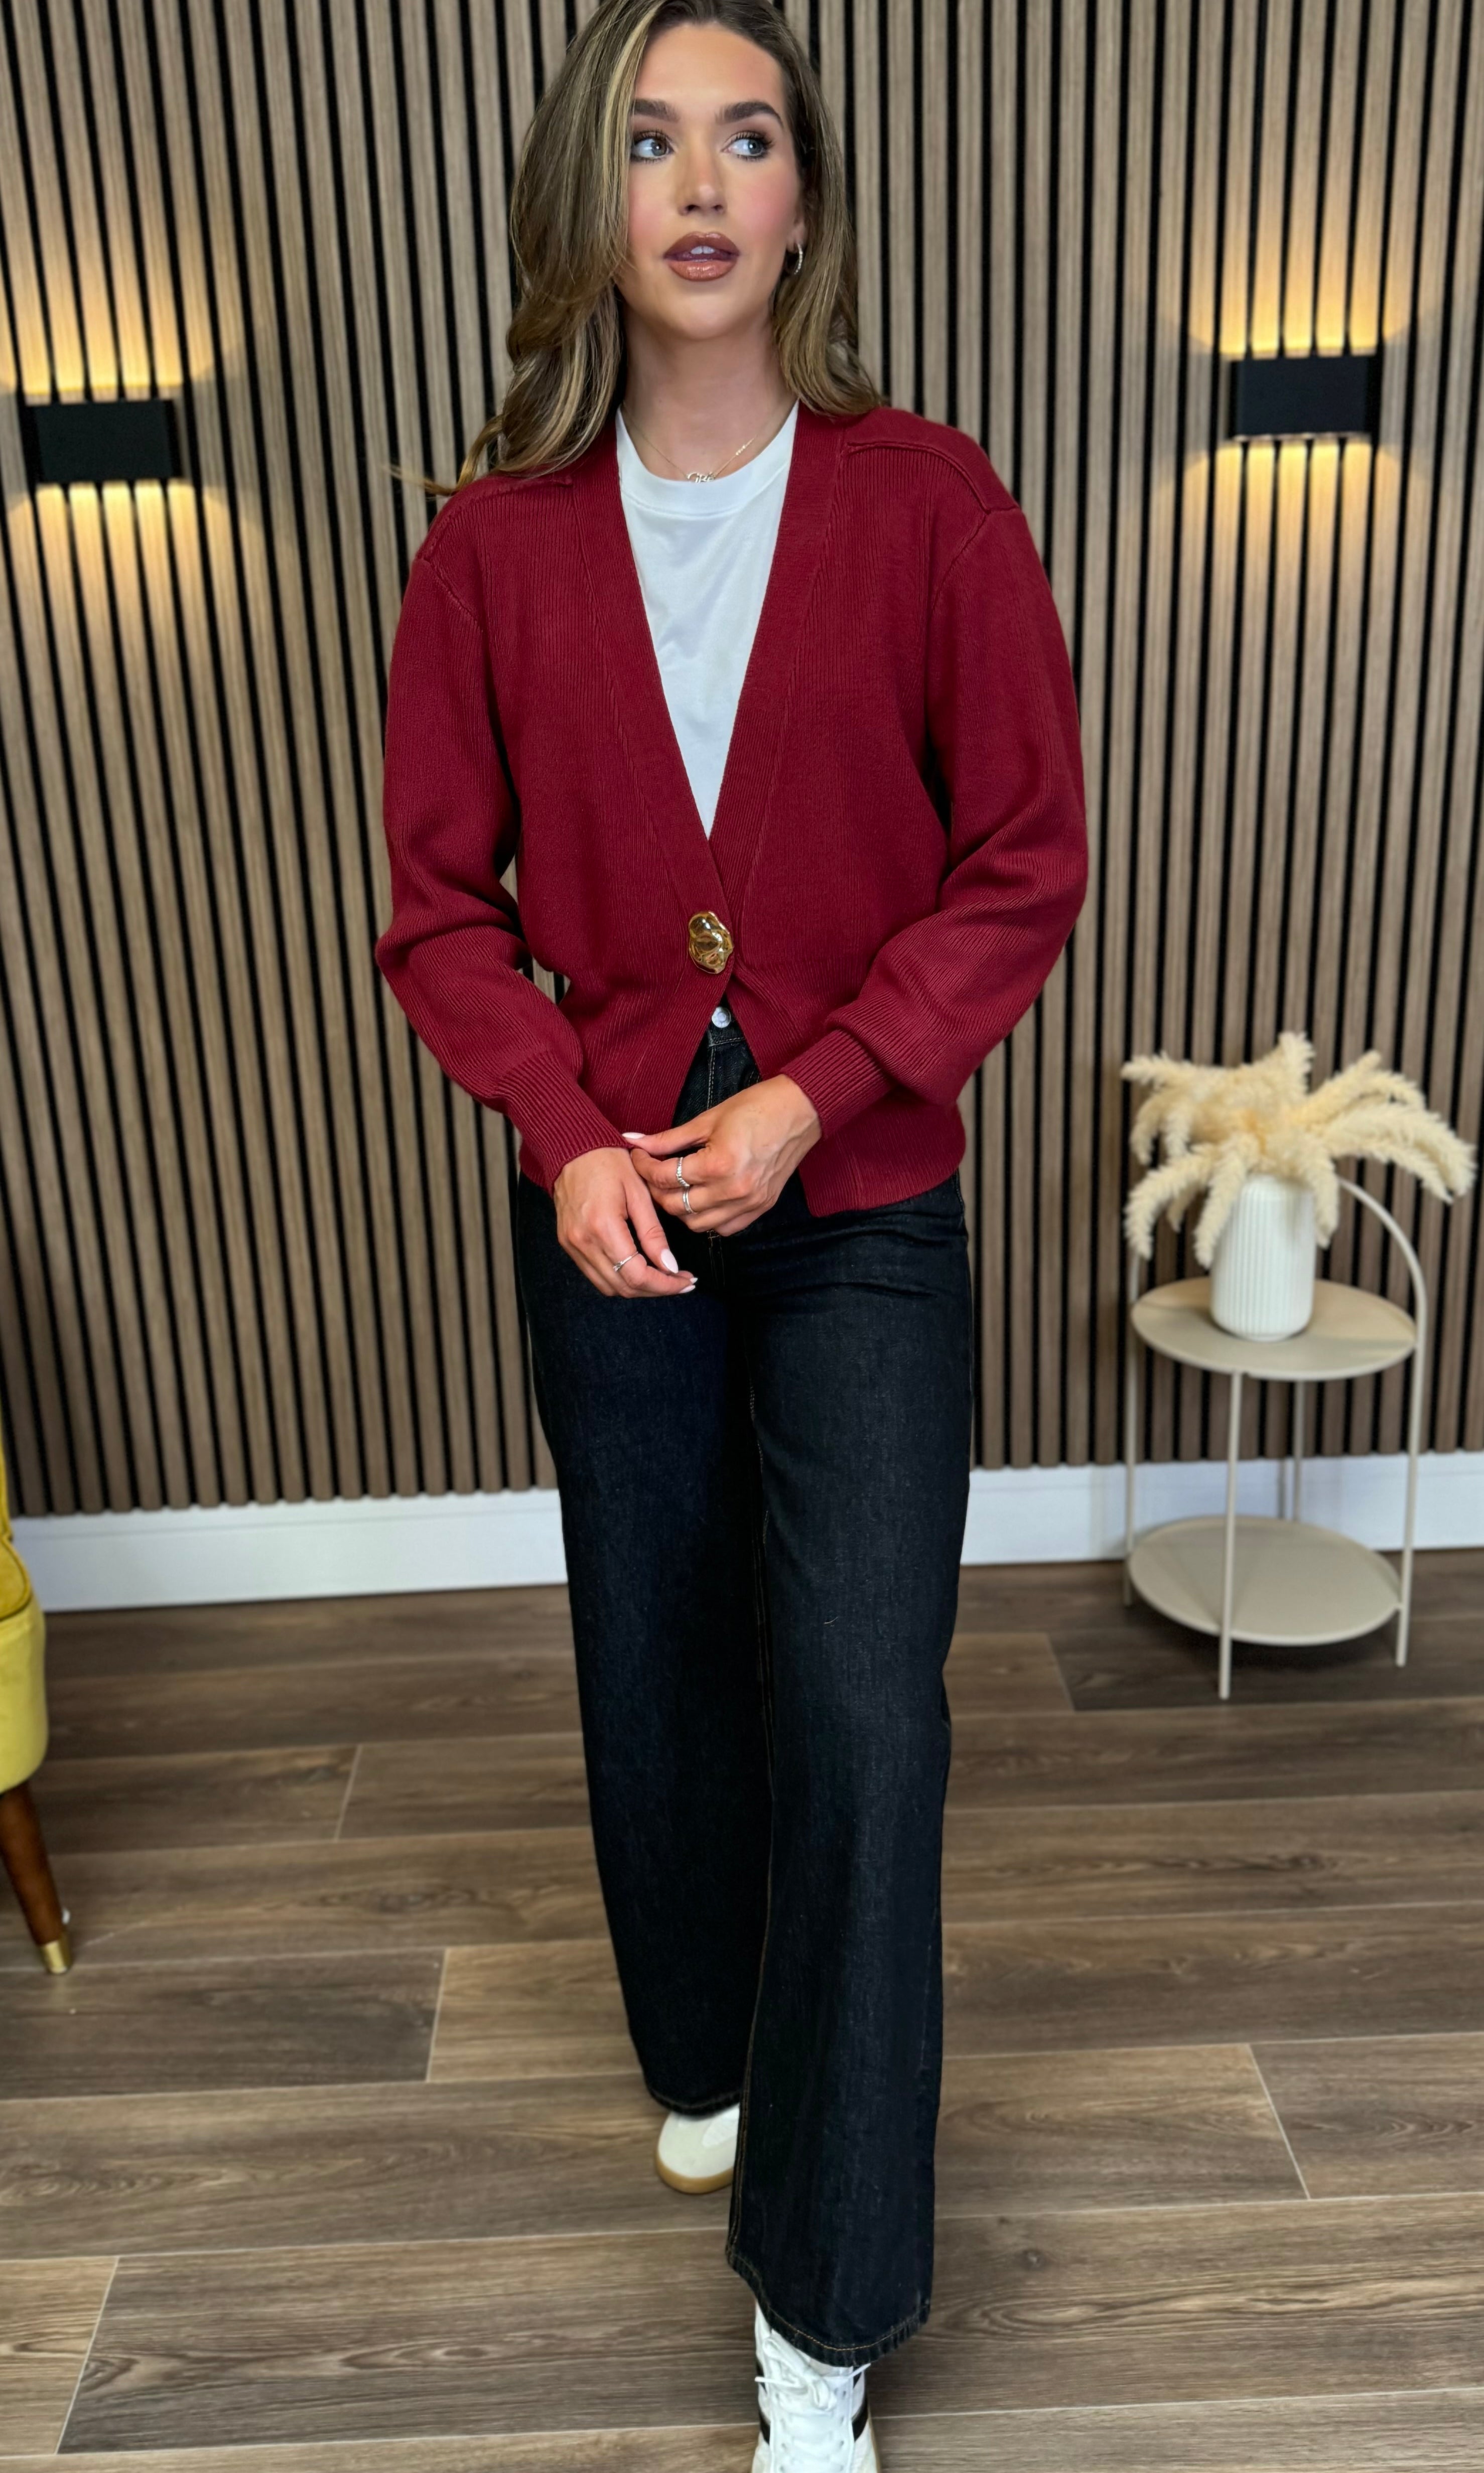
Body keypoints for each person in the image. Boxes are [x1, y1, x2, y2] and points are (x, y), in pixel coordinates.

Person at [375, 3, 1088, 2463]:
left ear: (802, 198)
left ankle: (821, 2312)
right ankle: (704, 2040)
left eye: (745, 138)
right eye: (650, 141)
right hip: (612, 1216)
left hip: (858, 1198)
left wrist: (816, 1086)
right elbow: (438, 913)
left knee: (865, 1711)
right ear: (590, 206)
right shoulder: (487, 547)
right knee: (658, 1666)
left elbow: (1021, 859)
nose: (698, 184)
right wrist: (564, 1130)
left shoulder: (927, 505)